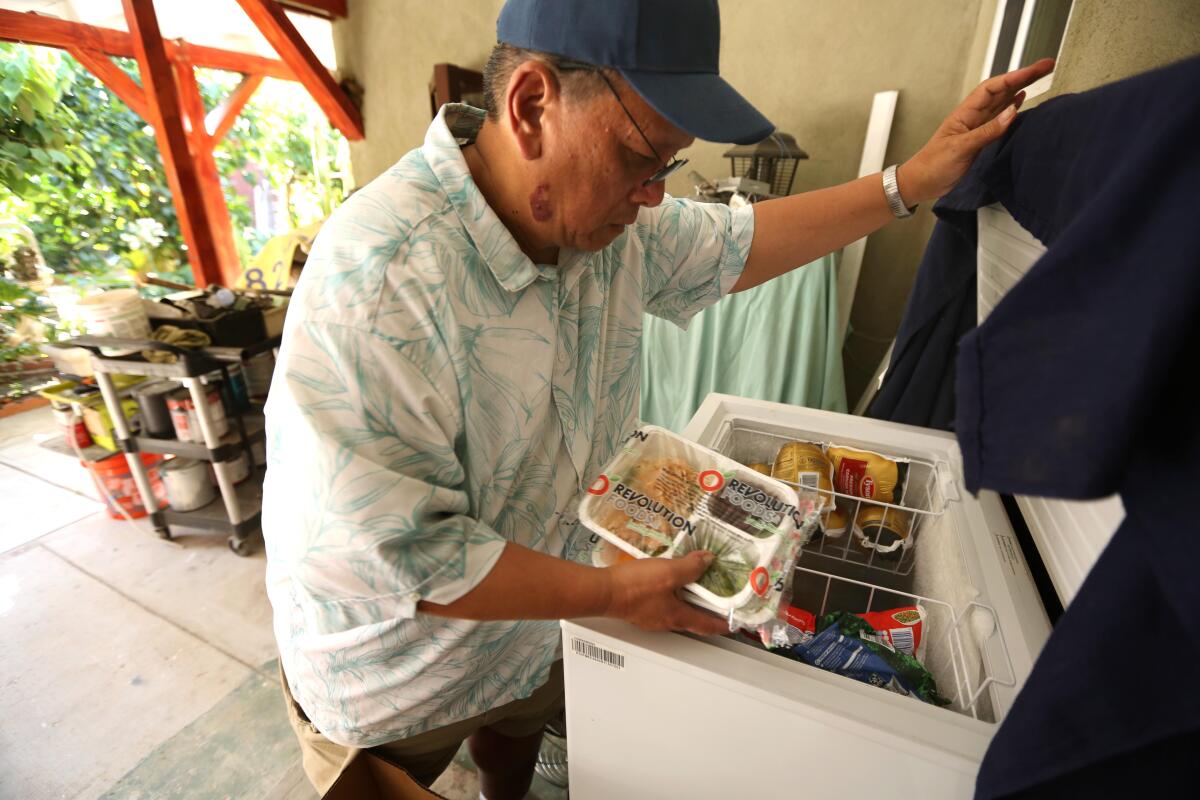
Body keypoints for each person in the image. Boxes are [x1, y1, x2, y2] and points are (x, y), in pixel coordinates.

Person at [261, 0, 1052, 796]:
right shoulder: (382, 279)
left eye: (667, 168)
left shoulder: (607, 227)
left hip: (531, 628)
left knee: (517, 737)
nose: (650, 197)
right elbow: (392, 556)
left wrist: (908, 181)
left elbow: (734, 246)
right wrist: (612, 592)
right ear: (533, 105)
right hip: (402, 678)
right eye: (642, 157)